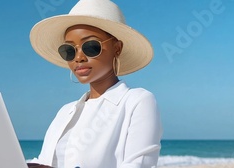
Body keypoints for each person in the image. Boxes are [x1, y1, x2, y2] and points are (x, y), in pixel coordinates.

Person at [28, 0, 163, 167]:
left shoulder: (137, 102)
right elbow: (44, 161)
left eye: (91, 46)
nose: (79, 57)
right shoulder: (65, 112)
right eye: (69, 50)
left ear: (117, 48)